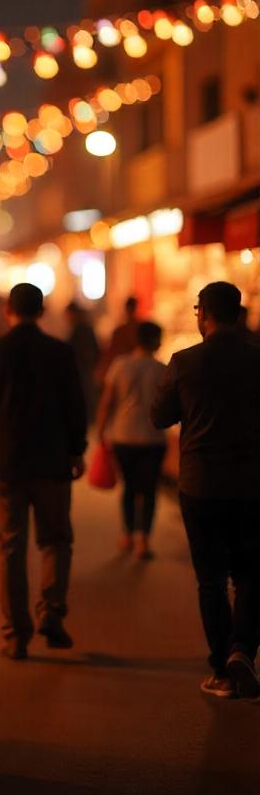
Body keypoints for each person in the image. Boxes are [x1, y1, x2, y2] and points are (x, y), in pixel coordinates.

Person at [0, 283, 87, 660]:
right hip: (52, 463)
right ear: (42, 310)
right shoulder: (61, 353)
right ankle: (51, 611)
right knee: (55, 541)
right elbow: (76, 406)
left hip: (6, 464)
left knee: (10, 548)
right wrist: (77, 450)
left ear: (8, 310)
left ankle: (15, 635)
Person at [151, 281, 260, 701]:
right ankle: (242, 651)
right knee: (251, 574)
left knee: (210, 580)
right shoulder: (257, 360)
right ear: (238, 313)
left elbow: (159, 416)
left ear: (203, 314)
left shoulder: (184, 361)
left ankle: (222, 670)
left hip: (200, 485)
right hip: (252, 484)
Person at [96, 321, 167, 560]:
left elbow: (107, 401)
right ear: (156, 341)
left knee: (129, 487)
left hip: (123, 435)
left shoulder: (120, 365)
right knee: (149, 490)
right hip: (153, 438)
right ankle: (143, 541)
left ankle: (127, 535)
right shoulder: (162, 369)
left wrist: (101, 430)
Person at [65, 302, 101, 423]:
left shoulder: (79, 330)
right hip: (86, 368)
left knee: (83, 394)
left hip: (81, 369)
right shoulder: (85, 328)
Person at [96, 295, 140, 386]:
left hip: (123, 369)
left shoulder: (121, 330)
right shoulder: (139, 329)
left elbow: (112, 352)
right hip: (136, 368)